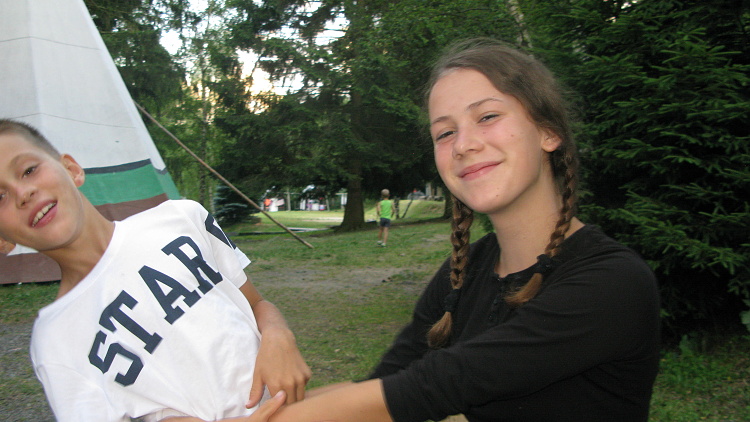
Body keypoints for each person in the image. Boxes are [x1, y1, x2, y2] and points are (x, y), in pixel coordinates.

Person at [250, 38, 661, 422]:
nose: (463, 144)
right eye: (445, 133)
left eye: (488, 117)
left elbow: (430, 387)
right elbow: (384, 383)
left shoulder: (612, 281)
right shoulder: (464, 271)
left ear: (548, 132)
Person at [0, 119, 311, 422]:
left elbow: (255, 303)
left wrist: (278, 335)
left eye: (28, 170)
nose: (22, 193)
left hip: (295, 409)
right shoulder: (55, 340)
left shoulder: (183, 218)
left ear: (72, 169)